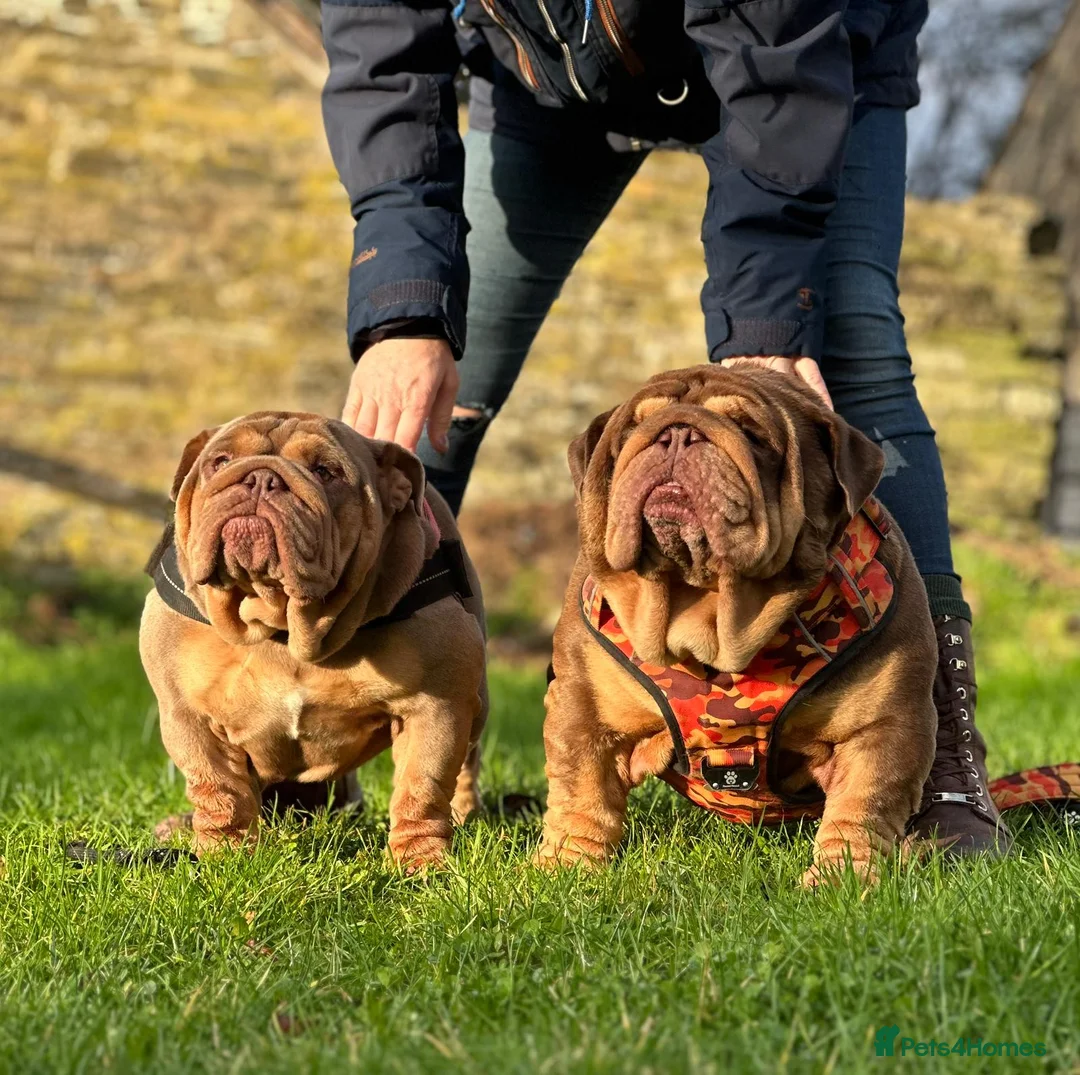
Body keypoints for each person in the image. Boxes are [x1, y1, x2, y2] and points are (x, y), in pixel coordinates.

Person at [319, 0, 1008, 854]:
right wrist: (406, 310)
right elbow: (380, 56)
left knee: (852, 346)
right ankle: (310, 748)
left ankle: (942, 762)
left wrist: (766, 329)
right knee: (427, 391)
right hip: (556, 75)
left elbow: (773, 47)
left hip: (805, 58)